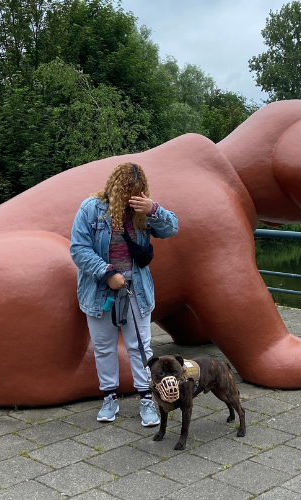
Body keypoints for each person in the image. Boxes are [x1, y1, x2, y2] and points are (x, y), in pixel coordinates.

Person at [70, 162, 178, 425]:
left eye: (138, 193)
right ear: (116, 189)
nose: (132, 199)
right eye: (128, 193)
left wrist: (153, 209)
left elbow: (172, 228)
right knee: (104, 348)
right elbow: (78, 249)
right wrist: (107, 273)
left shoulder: (143, 209)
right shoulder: (91, 209)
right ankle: (109, 397)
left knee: (140, 347)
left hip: (136, 290)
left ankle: (147, 399)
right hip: (100, 291)